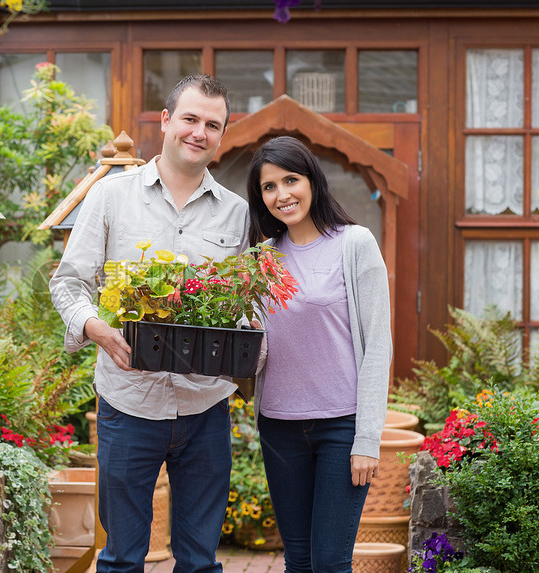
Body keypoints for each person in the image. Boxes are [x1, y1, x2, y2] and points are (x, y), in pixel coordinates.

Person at [49, 75, 250, 573]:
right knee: (120, 559)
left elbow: (247, 309)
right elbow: (68, 283)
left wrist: (244, 346)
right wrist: (95, 327)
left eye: (212, 124)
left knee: (200, 561)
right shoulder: (111, 196)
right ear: (165, 121)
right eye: (190, 118)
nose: (199, 132)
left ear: (221, 137)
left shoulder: (237, 214)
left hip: (206, 406)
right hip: (127, 403)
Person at [246, 136, 392, 573]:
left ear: (312, 180)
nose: (282, 195)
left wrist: (367, 439)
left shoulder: (355, 244)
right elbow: (258, 356)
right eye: (269, 187)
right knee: (298, 561)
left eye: (290, 180)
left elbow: (378, 345)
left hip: (340, 428)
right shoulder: (264, 260)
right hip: (278, 426)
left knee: (330, 562)